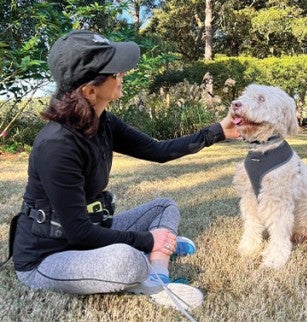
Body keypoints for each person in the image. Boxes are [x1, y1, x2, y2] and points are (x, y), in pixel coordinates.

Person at [11, 30, 240, 310]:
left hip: (92, 231)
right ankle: (153, 271)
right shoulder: (56, 146)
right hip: (48, 257)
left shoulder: (102, 121)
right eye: (114, 72)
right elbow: (79, 234)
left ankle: (156, 271)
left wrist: (217, 132)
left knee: (164, 207)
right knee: (126, 260)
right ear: (89, 90)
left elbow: (158, 150)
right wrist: (147, 238)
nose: (123, 74)